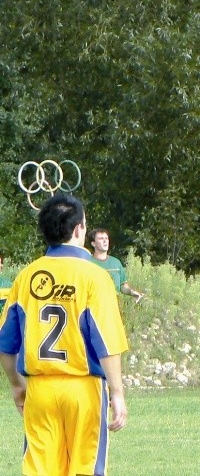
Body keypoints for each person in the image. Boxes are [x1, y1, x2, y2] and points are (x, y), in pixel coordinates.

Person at [0, 193, 129, 476]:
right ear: (79, 229)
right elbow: (107, 342)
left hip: (40, 390)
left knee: (40, 470)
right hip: (83, 389)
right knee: (85, 468)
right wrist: (117, 393)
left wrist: (16, 385)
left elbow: (6, 345)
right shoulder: (95, 277)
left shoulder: (26, 276)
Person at [89, 228, 144, 302]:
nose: (105, 241)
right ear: (93, 243)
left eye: (106, 238)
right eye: (101, 238)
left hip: (114, 307)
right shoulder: (87, 262)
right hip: (94, 305)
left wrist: (132, 292)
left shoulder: (116, 263)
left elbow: (122, 286)